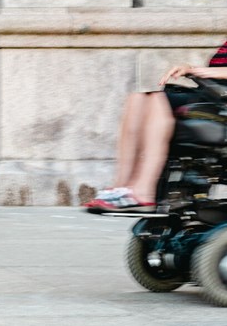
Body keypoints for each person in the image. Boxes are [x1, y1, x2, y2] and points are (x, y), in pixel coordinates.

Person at [86, 40, 227, 213]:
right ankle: (121, 187)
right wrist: (189, 67)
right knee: (138, 98)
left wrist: (215, 72)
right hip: (211, 97)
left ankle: (144, 191)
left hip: (221, 106)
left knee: (159, 101)